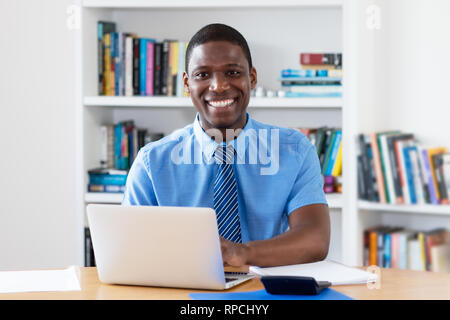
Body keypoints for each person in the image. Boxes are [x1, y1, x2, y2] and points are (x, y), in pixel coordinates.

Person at [122, 23, 330, 267]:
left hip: (264, 292)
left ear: (251, 78)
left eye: (232, 73)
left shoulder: (294, 150)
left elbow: (315, 238)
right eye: (202, 75)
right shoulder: (151, 162)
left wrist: (241, 253)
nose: (218, 86)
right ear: (187, 85)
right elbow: (129, 246)